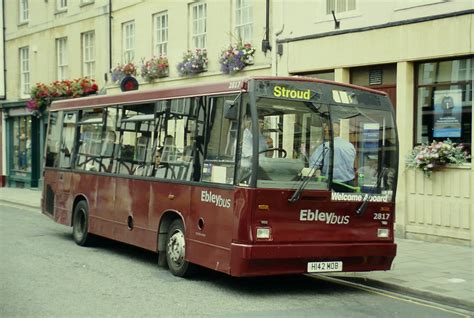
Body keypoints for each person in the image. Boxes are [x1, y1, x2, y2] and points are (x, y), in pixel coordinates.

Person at [309, 121, 356, 192]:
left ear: (328, 132)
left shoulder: (325, 146)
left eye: (325, 131)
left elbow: (312, 167)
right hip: (349, 185)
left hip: (331, 185)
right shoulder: (350, 146)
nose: (324, 133)